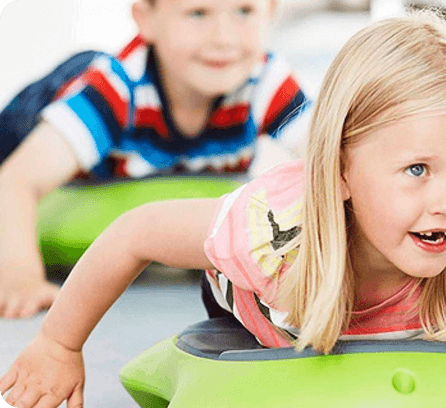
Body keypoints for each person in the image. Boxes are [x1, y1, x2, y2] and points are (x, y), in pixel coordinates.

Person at [0, 9, 446, 408]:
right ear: (340, 172)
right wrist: (58, 346)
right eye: (417, 170)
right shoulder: (270, 238)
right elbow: (137, 230)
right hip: (259, 279)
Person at [0, 0, 311, 319]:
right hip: (41, 118)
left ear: (270, 12)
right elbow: (15, 182)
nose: (224, 38)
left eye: (244, 11)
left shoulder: (265, 76)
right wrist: (20, 276)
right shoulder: (117, 88)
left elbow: (327, 149)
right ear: (145, 19)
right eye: (197, 13)